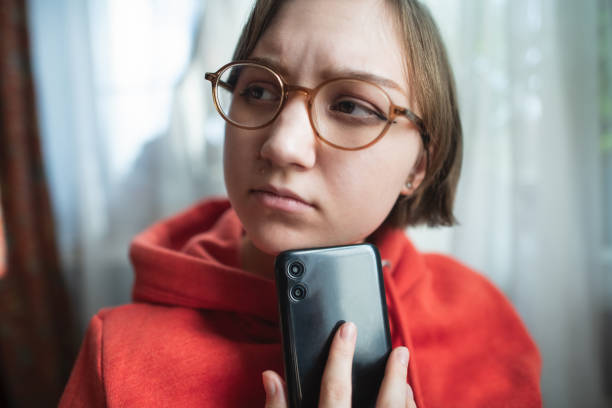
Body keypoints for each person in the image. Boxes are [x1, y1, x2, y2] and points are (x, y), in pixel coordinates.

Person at [59, 0, 542, 406]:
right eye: (259, 90)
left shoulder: (484, 321)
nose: (282, 145)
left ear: (418, 167)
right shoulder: (117, 353)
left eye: (351, 105)